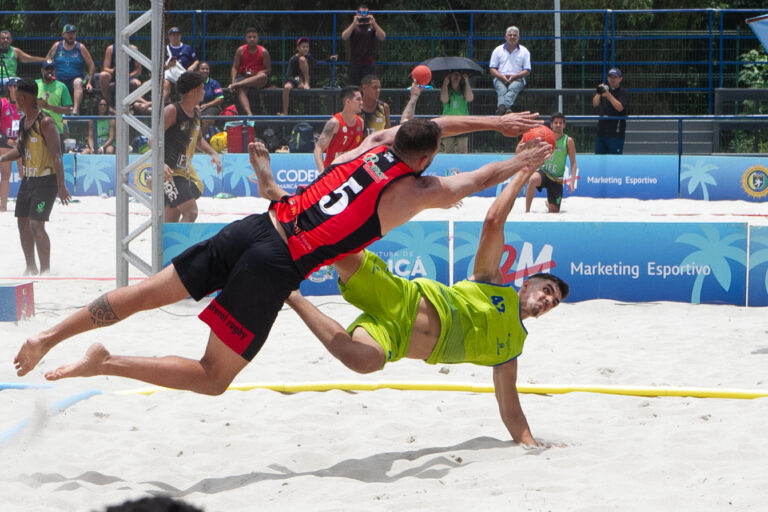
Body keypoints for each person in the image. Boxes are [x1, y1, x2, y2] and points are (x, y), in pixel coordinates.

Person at [13, 111, 551, 396]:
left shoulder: (373, 145)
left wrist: (494, 123)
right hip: (276, 264)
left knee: (145, 294)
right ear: (428, 157)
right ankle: (106, 363)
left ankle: (48, 336)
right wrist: (521, 157)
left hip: (254, 227)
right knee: (212, 378)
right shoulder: (413, 191)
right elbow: (475, 179)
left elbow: (429, 129)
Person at [284, 162, 568, 448]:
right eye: (547, 290)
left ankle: (291, 295)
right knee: (334, 248)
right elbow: (494, 220)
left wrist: (531, 444)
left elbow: (510, 410)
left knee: (361, 361)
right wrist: (522, 170)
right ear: (527, 283)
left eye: (553, 301)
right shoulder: (492, 281)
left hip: (397, 339)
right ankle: (285, 203)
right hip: (403, 298)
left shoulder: (512, 348)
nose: (548, 300)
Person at [0, 78, 71, 275]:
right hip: (28, 181)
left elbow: (57, 155)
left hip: (46, 183)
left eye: (15, 97)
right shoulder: (23, 122)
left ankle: (46, 270)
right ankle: (30, 267)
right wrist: (2, 157)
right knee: (22, 222)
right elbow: (20, 150)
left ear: (22, 99)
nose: (13, 99)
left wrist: (61, 185)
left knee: (36, 223)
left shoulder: (46, 122)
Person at [163, 71, 222, 223]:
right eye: (202, 88)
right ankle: (179, 247)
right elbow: (152, 139)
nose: (204, 91)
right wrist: (160, 164)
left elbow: (198, 140)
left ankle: (168, 247)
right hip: (169, 172)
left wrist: (212, 153)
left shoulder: (195, 111)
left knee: (172, 218)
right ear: (193, 91)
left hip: (184, 171)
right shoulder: (172, 111)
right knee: (191, 212)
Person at [524, 112, 578, 213]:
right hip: (544, 172)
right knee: (532, 180)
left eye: (560, 123)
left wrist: (572, 181)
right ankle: (527, 211)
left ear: (564, 125)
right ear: (551, 124)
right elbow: (535, 156)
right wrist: (529, 172)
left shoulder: (568, 141)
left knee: (554, 211)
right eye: (556, 122)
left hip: (557, 179)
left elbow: (573, 162)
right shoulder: (545, 137)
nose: (558, 125)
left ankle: (550, 204)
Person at [45, 24, 95, 116]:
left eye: (73, 33)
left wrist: (89, 82)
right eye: (68, 33)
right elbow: (47, 61)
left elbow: (91, 65)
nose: (71, 36)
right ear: (63, 34)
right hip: (58, 77)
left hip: (75, 78)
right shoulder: (57, 46)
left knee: (78, 82)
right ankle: (51, 112)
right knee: (51, 84)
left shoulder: (80, 47)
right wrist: (48, 73)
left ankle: (75, 111)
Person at [313, 85, 364, 171]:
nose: (362, 102)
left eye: (362, 99)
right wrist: (322, 172)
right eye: (358, 99)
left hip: (351, 173)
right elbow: (318, 149)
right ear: (348, 102)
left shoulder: (360, 122)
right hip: (333, 172)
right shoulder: (334, 123)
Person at [228, 27, 270, 117]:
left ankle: (236, 85)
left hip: (257, 79)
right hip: (243, 76)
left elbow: (268, 69)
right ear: (246, 38)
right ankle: (249, 113)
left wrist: (256, 74)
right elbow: (235, 67)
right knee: (241, 90)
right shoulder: (240, 50)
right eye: (249, 37)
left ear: (257, 38)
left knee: (263, 76)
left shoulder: (263, 52)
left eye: (254, 37)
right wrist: (233, 80)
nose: (252, 39)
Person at [489, 26, 531, 116]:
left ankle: (501, 108)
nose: (512, 37)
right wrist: (501, 77)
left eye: (515, 35)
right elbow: (492, 69)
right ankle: (506, 109)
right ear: (505, 37)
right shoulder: (497, 50)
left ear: (518, 38)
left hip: (518, 79)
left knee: (513, 88)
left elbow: (527, 70)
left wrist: (515, 77)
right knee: (502, 90)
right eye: (510, 35)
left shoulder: (524, 51)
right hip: (500, 78)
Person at [341, 5, 386, 86]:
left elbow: (382, 36)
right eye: (361, 12)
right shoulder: (354, 27)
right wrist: (354, 24)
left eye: (366, 13)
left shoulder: (372, 27)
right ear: (357, 13)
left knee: (369, 88)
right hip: (355, 63)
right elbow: (344, 36)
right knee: (354, 88)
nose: (363, 15)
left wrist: (374, 23)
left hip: (369, 64)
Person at [593, 67, 628, 155]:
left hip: (615, 134)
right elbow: (595, 104)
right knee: (599, 159)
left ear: (620, 79)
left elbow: (620, 107)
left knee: (615, 160)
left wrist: (609, 95)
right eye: (610, 77)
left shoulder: (623, 92)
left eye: (615, 77)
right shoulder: (604, 90)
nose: (612, 79)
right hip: (601, 133)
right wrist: (598, 92)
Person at [36, 59, 73, 141]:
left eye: (51, 69)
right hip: (37, 130)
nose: (49, 71)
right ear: (42, 70)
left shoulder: (62, 87)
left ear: (55, 71)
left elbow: (68, 110)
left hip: (56, 130)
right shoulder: (35, 84)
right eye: (47, 69)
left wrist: (49, 107)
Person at [98, 42, 143, 107]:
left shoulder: (133, 49)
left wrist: (128, 75)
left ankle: (135, 107)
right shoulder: (111, 49)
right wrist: (114, 71)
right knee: (103, 75)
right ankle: (108, 104)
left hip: (128, 76)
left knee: (137, 83)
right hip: (114, 76)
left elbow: (138, 70)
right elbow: (105, 67)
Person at [439, 72, 474, 153]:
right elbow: (444, 100)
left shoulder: (463, 90)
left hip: (462, 123)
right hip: (448, 123)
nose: (456, 77)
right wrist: (445, 83)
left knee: (463, 151)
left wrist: (466, 81)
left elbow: (470, 98)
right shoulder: (446, 90)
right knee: (448, 151)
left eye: (458, 75)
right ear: (449, 77)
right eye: (453, 75)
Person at [0, 77, 21, 211]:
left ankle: (27, 205)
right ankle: (3, 206)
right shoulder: (2, 103)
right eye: (15, 86)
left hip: (20, 143)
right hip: (5, 142)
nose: (17, 88)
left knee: (25, 175)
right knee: (6, 174)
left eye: (19, 86)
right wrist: (6, 139)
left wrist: (22, 139)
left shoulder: (24, 103)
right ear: (9, 88)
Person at [163, 27, 199, 104]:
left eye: (177, 35)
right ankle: (159, 103)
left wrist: (191, 68)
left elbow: (196, 61)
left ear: (180, 36)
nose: (175, 37)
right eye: (173, 35)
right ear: (169, 37)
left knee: (185, 84)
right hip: (169, 75)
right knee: (165, 83)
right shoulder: (165, 49)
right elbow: (160, 67)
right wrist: (168, 66)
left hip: (184, 73)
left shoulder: (187, 48)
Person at [279, 37, 313, 116]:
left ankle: (306, 83)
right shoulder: (293, 59)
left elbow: (317, 63)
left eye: (307, 47)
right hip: (295, 79)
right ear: (298, 48)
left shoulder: (309, 57)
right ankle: (285, 112)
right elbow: (288, 76)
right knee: (286, 87)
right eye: (303, 47)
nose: (305, 49)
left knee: (302, 59)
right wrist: (297, 83)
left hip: (304, 78)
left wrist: (329, 59)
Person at [197, 61, 224, 140]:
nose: (205, 71)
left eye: (207, 69)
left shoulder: (214, 83)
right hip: (195, 107)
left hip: (212, 107)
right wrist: (196, 105)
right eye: (202, 69)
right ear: (198, 70)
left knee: (206, 119)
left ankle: (202, 142)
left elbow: (220, 98)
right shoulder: (193, 82)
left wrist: (206, 105)